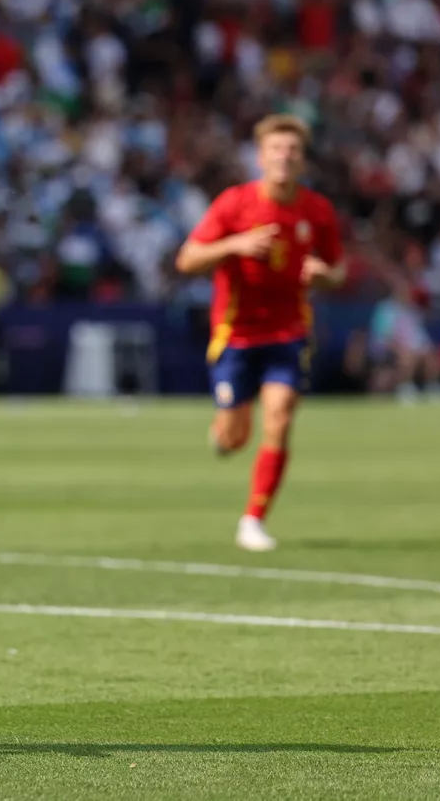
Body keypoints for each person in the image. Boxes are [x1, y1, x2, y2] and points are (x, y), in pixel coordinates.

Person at [174, 115, 346, 552]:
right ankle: (225, 431)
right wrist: (234, 245)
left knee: (281, 414)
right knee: (235, 437)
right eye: (276, 149)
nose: (284, 157)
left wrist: (324, 275)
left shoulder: (317, 210)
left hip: (288, 331)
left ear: (302, 158)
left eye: (292, 150)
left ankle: (253, 519)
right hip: (236, 333)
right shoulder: (235, 204)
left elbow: (338, 269)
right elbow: (187, 259)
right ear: (261, 156)